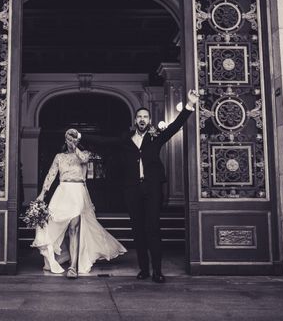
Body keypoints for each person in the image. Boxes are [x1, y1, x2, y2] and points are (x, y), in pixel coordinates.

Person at [84, 90, 199, 283]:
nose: (142, 119)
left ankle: (158, 271)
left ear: (150, 120)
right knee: (138, 230)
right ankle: (144, 269)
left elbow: (175, 126)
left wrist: (189, 105)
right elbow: (104, 141)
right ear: (135, 120)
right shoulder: (125, 140)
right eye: (139, 117)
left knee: (153, 228)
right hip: (132, 190)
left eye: (146, 117)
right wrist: (81, 136)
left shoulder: (156, 137)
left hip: (152, 189)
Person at [31, 128, 127, 278]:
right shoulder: (59, 157)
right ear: (65, 140)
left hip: (77, 192)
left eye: (74, 139)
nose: (71, 141)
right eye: (69, 139)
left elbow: (83, 159)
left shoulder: (84, 154)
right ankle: (61, 256)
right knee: (53, 225)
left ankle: (73, 267)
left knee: (73, 227)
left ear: (78, 141)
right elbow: (51, 175)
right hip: (62, 192)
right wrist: (42, 194)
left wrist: (75, 146)